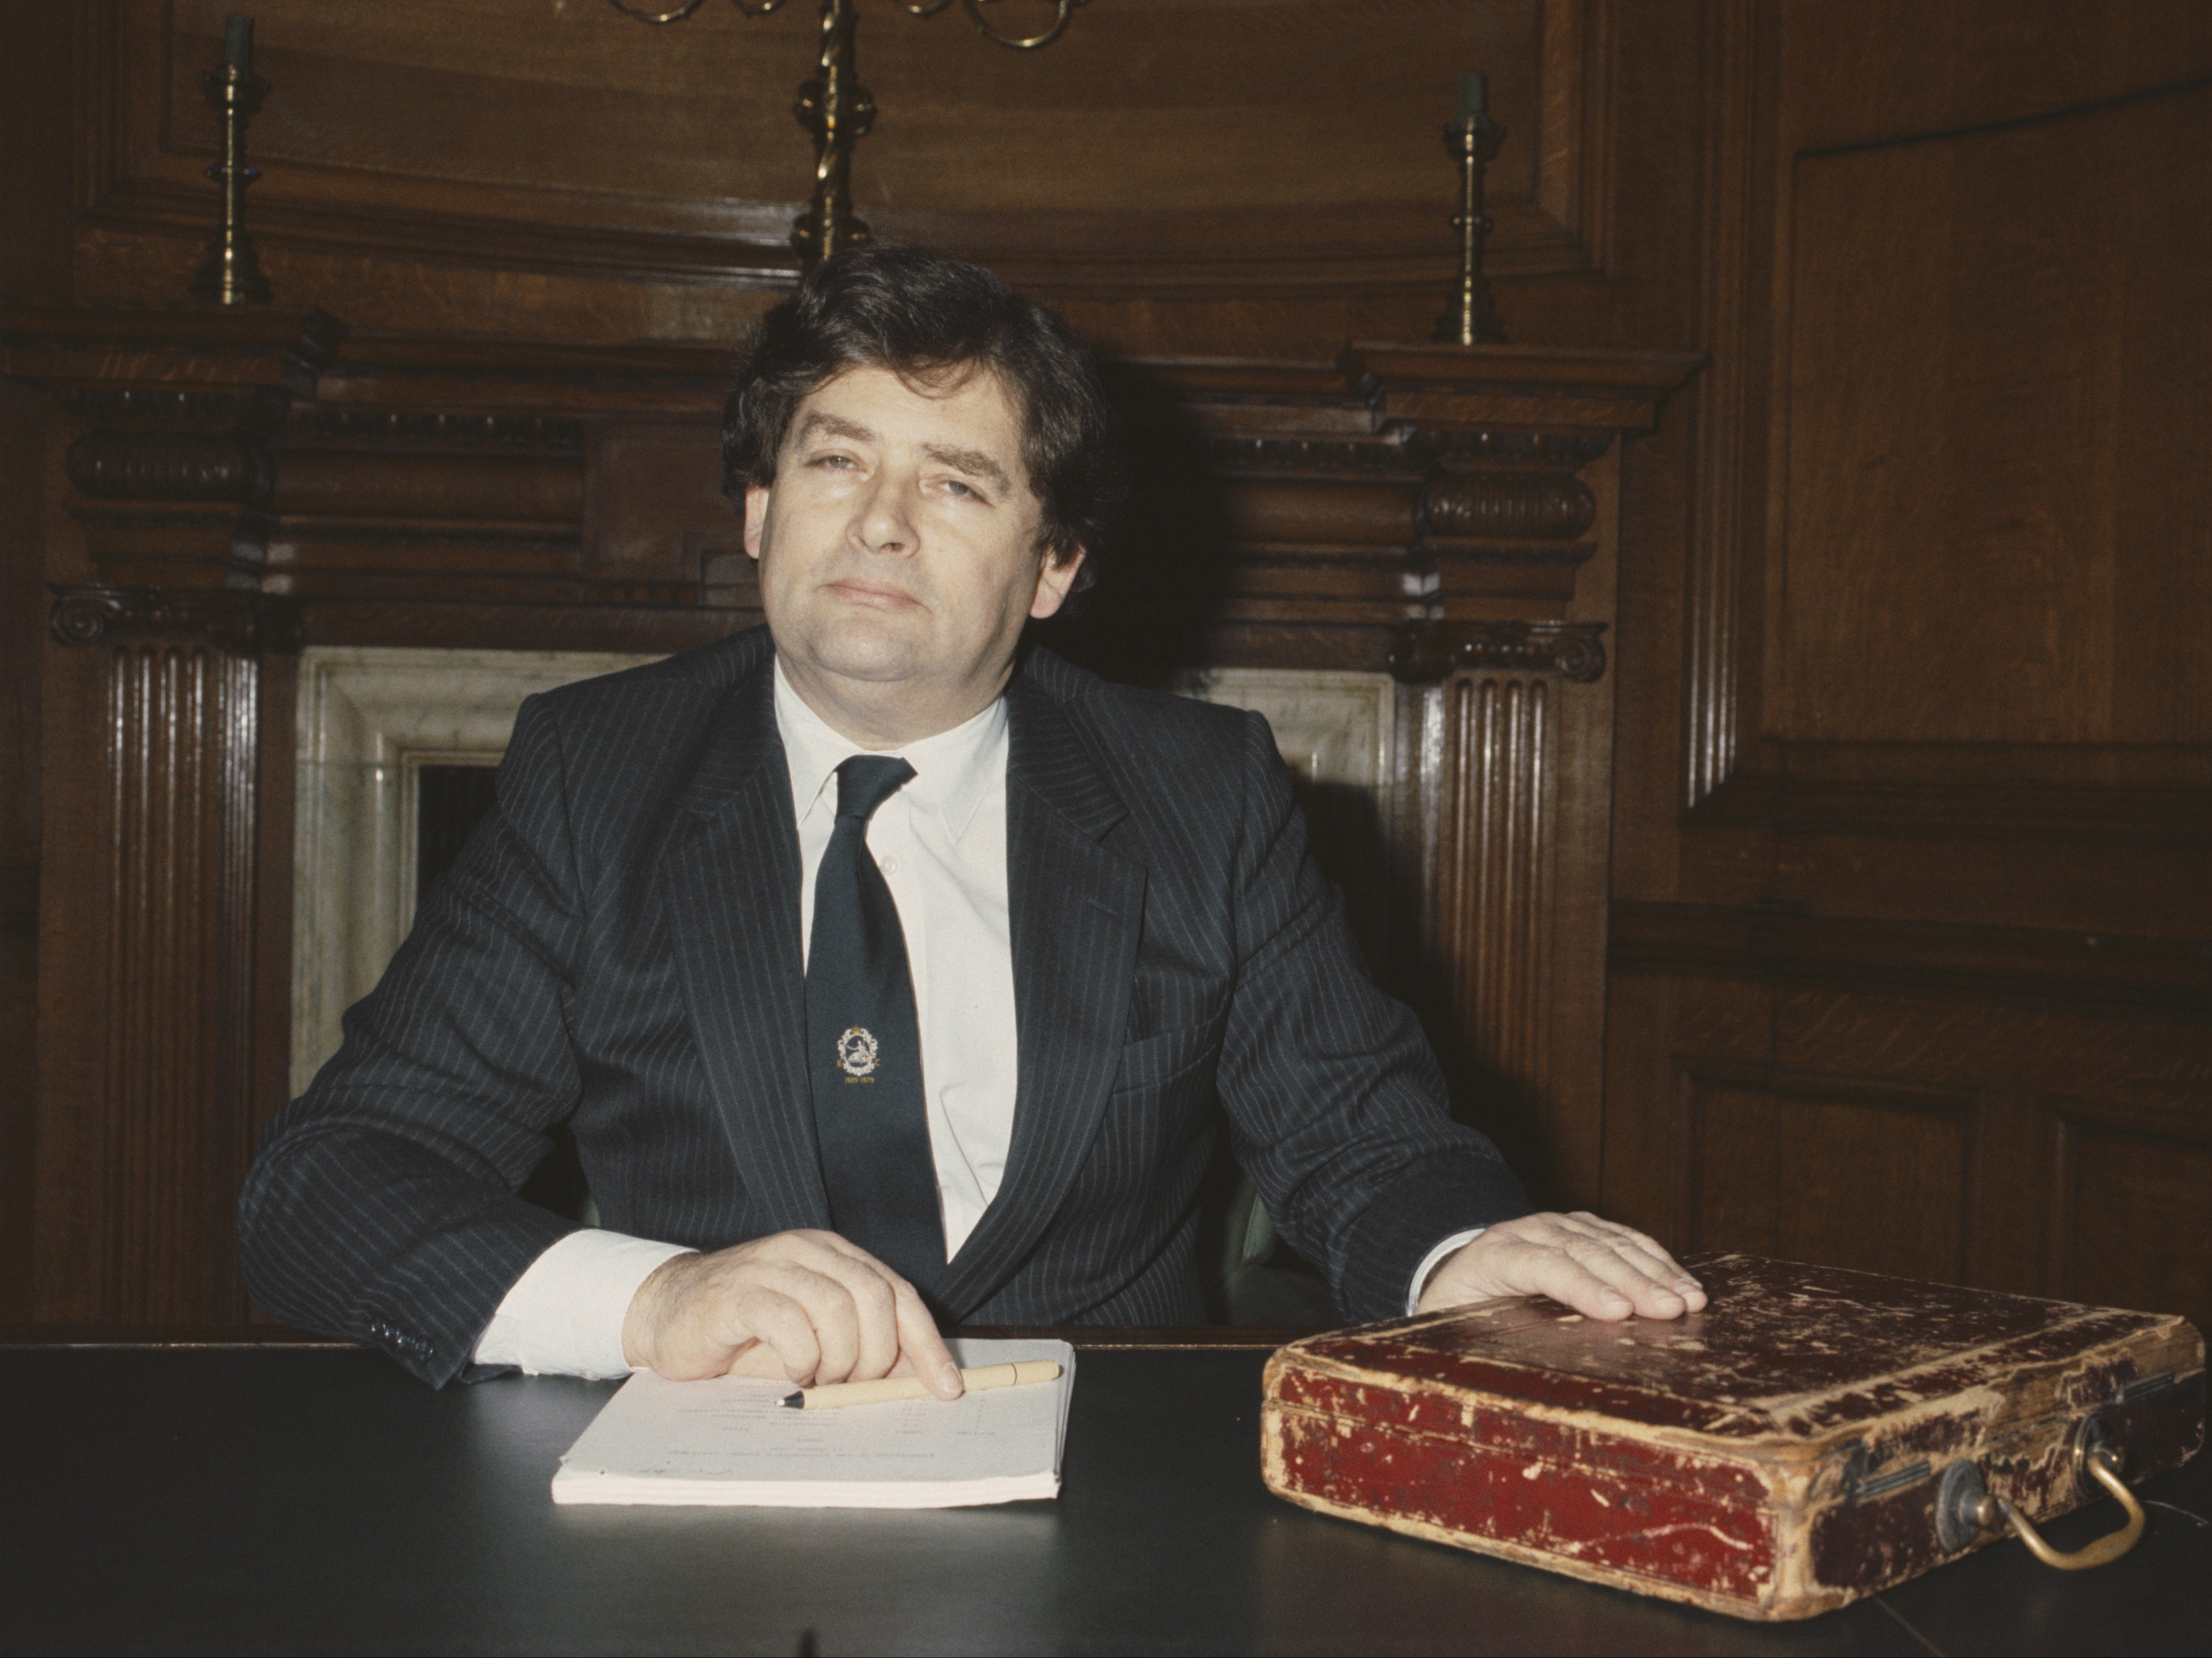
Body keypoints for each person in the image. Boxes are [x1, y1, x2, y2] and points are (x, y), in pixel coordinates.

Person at [239, 245, 1705, 1396]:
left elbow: (1360, 1138)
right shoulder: (592, 772)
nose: (880, 522)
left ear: (1053, 566)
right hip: (691, 1472)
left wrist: (1462, 1246)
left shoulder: (1203, 792)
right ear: (757, 511)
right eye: (834, 460)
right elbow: (328, 1183)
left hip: (1108, 1489)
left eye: (955, 482)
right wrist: (648, 1300)